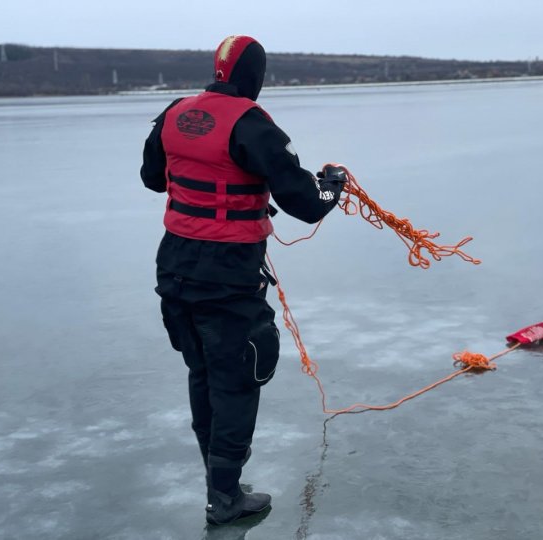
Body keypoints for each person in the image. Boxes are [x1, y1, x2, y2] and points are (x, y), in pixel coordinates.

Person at [139, 35, 347, 525]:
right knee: (236, 381)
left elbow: (153, 178)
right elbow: (306, 205)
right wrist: (333, 186)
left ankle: (220, 484)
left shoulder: (174, 113)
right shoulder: (252, 125)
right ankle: (226, 499)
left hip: (174, 269)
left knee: (203, 373)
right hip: (228, 277)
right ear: (255, 75)